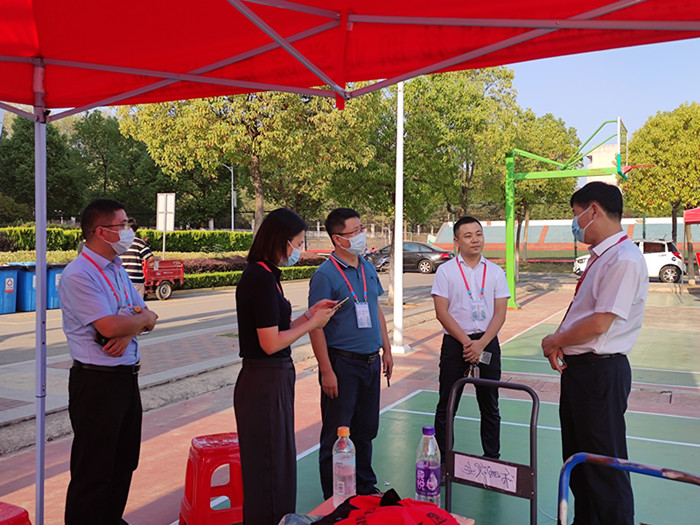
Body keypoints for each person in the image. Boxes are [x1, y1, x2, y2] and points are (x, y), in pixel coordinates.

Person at [541, 182, 648, 525]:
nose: (575, 223)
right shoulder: (602, 257)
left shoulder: (623, 259)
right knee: (580, 462)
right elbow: (583, 312)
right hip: (581, 371)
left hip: (600, 373)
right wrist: (563, 344)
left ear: (594, 210)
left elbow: (600, 322)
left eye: (576, 215)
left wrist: (555, 340)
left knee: (605, 465)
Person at [58, 199, 159, 525]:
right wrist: (132, 323)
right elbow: (110, 326)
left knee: (123, 463)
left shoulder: (116, 269)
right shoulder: (79, 274)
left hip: (125, 379)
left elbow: (149, 315)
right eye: (123, 225)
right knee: (94, 471)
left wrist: (130, 328)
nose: (129, 231)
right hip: (96, 383)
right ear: (101, 231)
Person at [234, 208, 337, 525]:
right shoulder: (259, 278)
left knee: (277, 462)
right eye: (298, 242)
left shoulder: (268, 275)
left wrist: (309, 315)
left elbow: (278, 330)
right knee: (268, 467)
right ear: (281, 240)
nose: (299, 250)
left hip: (272, 378)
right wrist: (312, 325)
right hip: (263, 382)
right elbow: (269, 343)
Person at [308, 207, 394, 500]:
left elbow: (375, 309)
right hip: (342, 364)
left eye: (361, 229)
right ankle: (334, 498)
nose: (361, 235)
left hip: (371, 361)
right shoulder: (325, 276)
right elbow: (315, 326)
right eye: (354, 231)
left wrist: (386, 348)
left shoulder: (367, 266)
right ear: (338, 238)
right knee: (337, 433)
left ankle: (365, 488)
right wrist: (326, 370)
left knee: (366, 430)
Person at [430, 216, 509, 467]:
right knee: (447, 404)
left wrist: (481, 344)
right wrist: (467, 343)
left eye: (478, 234)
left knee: (490, 404)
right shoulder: (446, 271)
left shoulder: (495, 272)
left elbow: (500, 313)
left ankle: (492, 460)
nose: (475, 239)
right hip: (456, 343)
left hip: (487, 342)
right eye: (468, 235)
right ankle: (443, 462)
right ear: (456, 241)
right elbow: (441, 312)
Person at [121, 218, 154, 298]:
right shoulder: (139, 242)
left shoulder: (119, 243)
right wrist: (157, 258)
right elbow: (149, 258)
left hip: (122, 280)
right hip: (136, 280)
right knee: (138, 304)